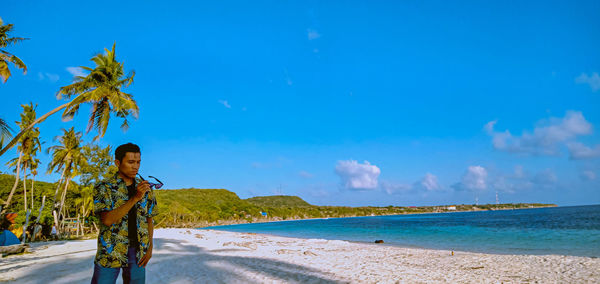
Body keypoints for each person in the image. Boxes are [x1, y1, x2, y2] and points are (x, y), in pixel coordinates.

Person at [91, 143, 158, 284]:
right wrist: (135, 198)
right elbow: (107, 220)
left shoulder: (146, 187)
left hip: (138, 250)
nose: (136, 166)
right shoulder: (104, 187)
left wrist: (150, 247)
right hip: (110, 250)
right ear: (117, 163)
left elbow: (149, 219)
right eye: (131, 162)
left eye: (138, 162)